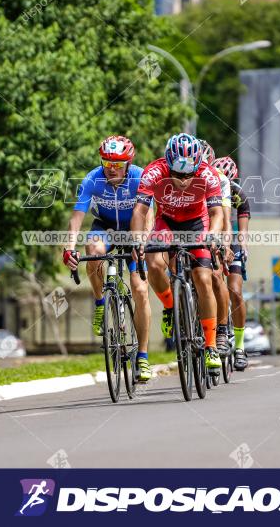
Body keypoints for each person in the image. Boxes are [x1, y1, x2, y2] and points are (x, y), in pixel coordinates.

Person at [63, 135, 153, 382]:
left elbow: (148, 216)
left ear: (128, 162)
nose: (112, 169)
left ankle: (143, 357)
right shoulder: (92, 179)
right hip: (105, 227)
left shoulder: (139, 177)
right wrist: (69, 249)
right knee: (92, 250)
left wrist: (141, 243)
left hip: (133, 230)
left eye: (118, 165)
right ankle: (101, 302)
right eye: (107, 163)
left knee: (140, 290)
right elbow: (76, 218)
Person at [131, 133, 224, 371]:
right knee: (153, 263)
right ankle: (170, 306)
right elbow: (140, 212)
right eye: (178, 174)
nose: (183, 180)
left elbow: (216, 213)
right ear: (168, 164)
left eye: (188, 174)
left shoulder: (207, 174)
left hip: (196, 223)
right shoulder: (154, 171)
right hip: (167, 222)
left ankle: (211, 346)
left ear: (197, 165)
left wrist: (212, 235)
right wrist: (138, 240)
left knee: (204, 278)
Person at [213, 156, 251, 371]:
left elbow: (242, 230)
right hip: (213, 238)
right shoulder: (207, 187)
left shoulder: (238, 194)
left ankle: (239, 347)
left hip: (232, 240)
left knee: (235, 290)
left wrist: (243, 248)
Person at [198, 139, 235, 357]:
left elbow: (226, 219)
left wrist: (226, 245)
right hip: (191, 224)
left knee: (215, 273)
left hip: (214, 224)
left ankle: (221, 330)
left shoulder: (219, 180)